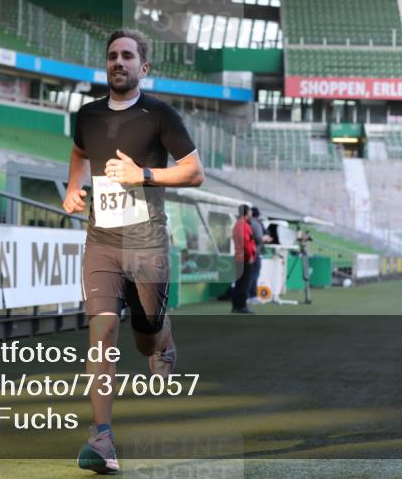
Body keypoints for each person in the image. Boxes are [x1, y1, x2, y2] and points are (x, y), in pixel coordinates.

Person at [63, 29, 204, 474]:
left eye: (127, 56)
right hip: (101, 242)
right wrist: (72, 187)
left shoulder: (159, 114)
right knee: (101, 334)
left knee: (146, 334)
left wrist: (140, 174)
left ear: (144, 68)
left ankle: (163, 336)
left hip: (147, 243)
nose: (118, 62)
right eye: (112, 56)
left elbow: (194, 172)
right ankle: (101, 440)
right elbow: (78, 151)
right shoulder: (85, 115)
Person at [231, 204, 257, 314]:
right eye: (250, 211)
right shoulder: (243, 225)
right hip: (244, 258)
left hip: (240, 257)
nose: (251, 214)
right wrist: (250, 255)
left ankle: (237, 305)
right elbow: (245, 241)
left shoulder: (239, 224)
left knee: (239, 282)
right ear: (246, 212)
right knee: (244, 283)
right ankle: (241, 305)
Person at [247, 207, 271, 303]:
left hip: (249, 253)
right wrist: (264, 238)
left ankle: (250, 295)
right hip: (255, 253)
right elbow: (262, 237)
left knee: (250, 275)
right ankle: (251, 296)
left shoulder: (247, 223)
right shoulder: (256, 224)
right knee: (253, 275)